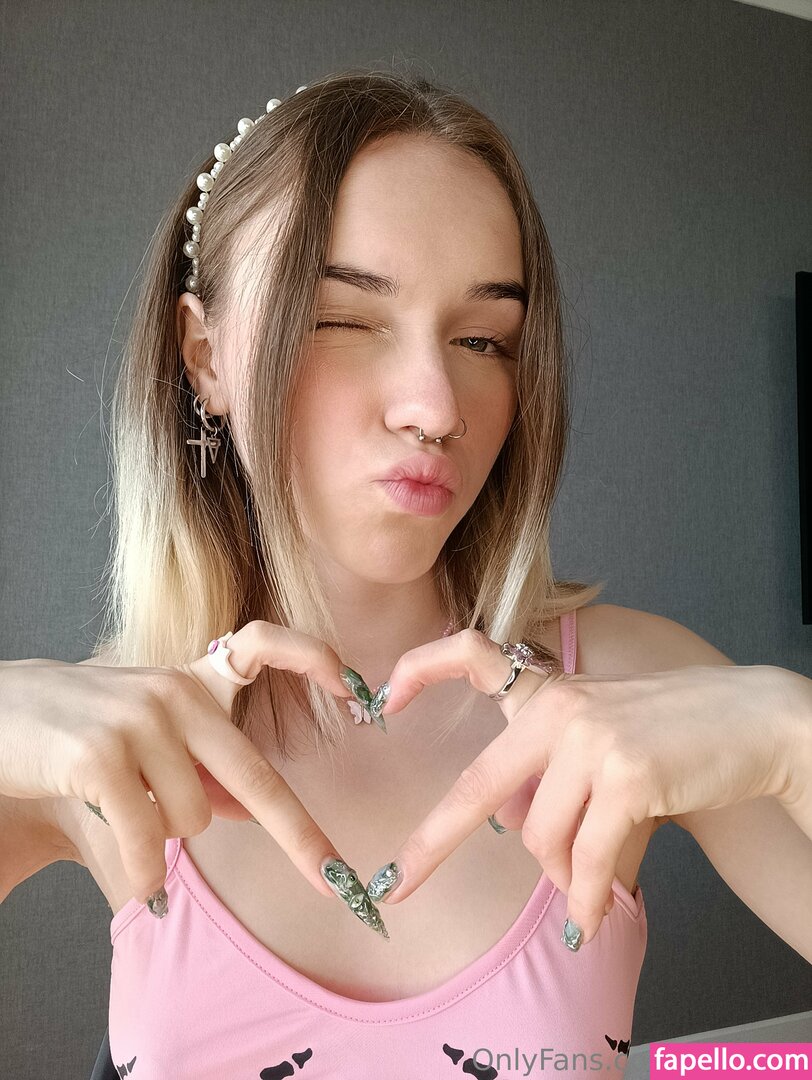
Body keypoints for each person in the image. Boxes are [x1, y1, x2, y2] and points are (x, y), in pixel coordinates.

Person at [1, 68, 810, 1079]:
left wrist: (792, 734)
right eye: (343, 319)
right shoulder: (100, 750)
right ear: (203, 355)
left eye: (484, 339)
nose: (437, 407)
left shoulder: (628, 687)